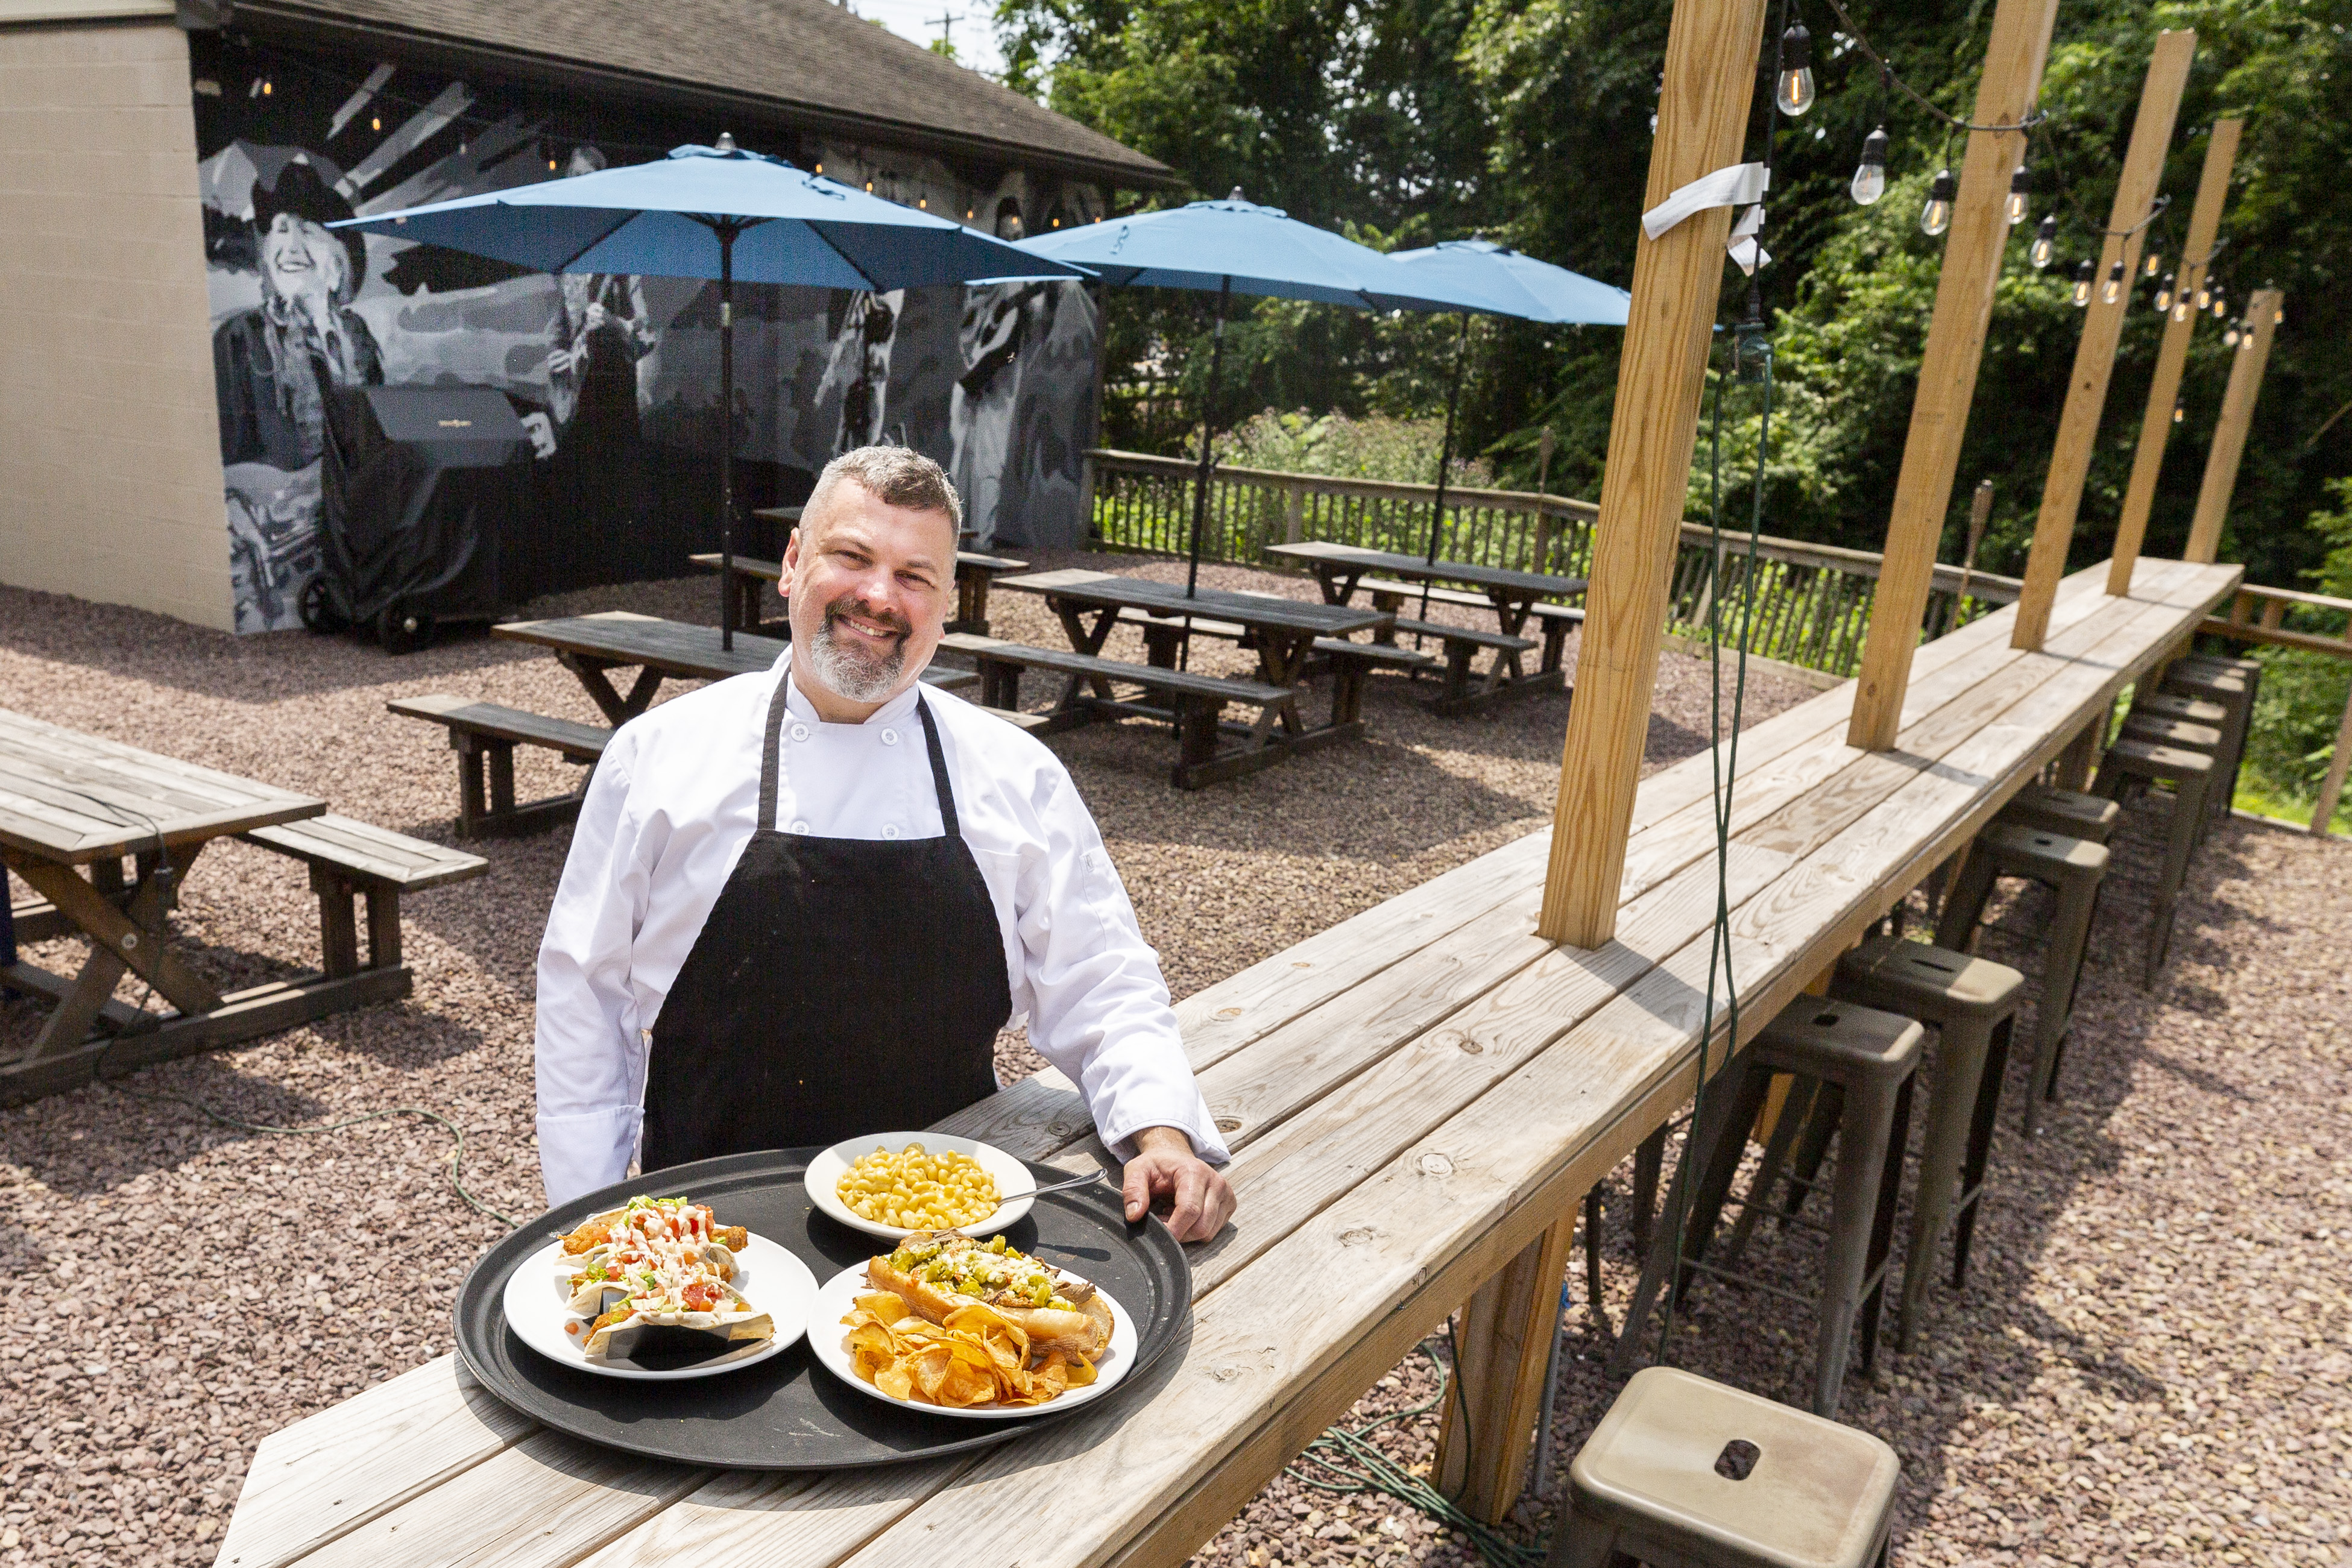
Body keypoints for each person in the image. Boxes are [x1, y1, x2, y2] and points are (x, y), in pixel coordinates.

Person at [534, 446, 1237, 1241]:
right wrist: (584, 1217)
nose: (878, 596)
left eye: (914, 575)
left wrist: (1159, 1131)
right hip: (712, 1223)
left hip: (948, 1220)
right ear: (793, 564)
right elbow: (584, 995)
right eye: (852, 556)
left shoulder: (1015, 773)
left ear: (946, 606)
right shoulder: (660, 755)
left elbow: (1100, 976)